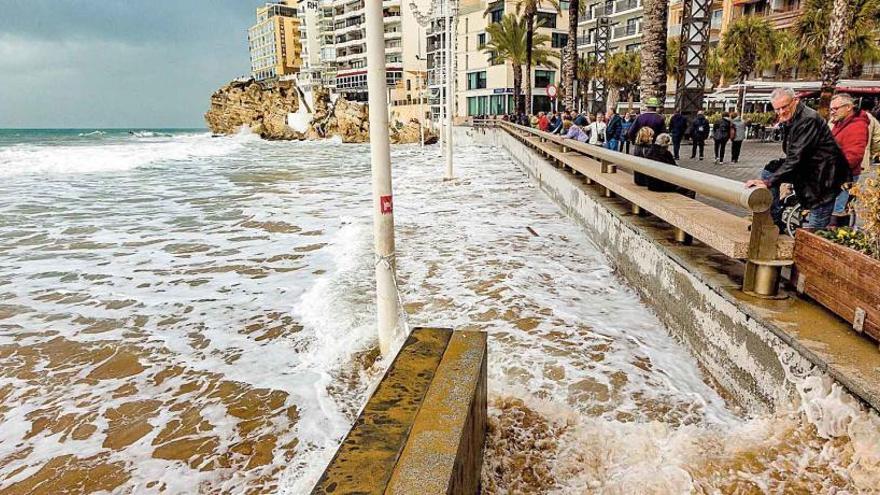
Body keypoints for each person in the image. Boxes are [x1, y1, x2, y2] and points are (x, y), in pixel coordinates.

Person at [745, 87, 849, 232]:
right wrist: (768, 180)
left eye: (784, 107)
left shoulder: (808, 119)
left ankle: (813, 248)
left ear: (795, 101)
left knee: (815, 229)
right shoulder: (792, 118)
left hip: (824, 177)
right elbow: (791, 152)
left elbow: (795, 157)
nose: (781, 112)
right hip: (808, 168)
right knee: (770, 171)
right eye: (777, 109)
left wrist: (767, 182)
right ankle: (774, 221)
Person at [828, 93, 869, 227]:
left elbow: (854, 156)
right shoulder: (841, 123)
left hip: (845, 175)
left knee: (838, 210)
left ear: (848, 107)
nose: (832, 111)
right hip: (836, 172)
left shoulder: (857, 126)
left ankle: (837, 239)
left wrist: (834, 170)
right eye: (831, 109)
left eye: (836, 108)